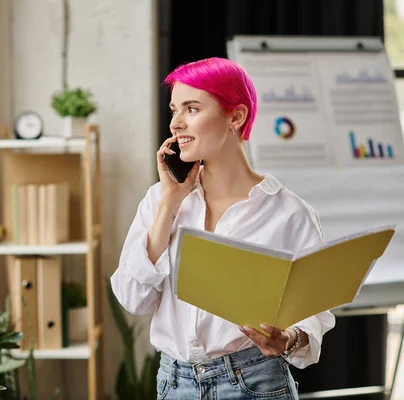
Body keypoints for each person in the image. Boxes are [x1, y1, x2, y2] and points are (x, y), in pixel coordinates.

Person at [110, 57, 336, 399]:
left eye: (191, 108)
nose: (176, 123)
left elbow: (316, 314)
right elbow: (133, 299)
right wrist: (169, 204)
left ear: (236, 116)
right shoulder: (160, 200)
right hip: (174, 385)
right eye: (174, 110)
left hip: (256, 383)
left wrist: (288, 338)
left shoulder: (289, 212)